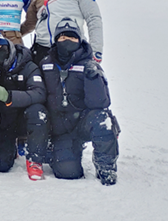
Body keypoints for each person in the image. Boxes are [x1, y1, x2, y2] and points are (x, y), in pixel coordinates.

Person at [41, 18, 119, 185]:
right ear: (55, 40)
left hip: (83, 123)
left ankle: (105, 165)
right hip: (61, 129)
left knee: (103, 120)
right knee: (68, 173)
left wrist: (93, 79)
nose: (66, 41)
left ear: (79, 40)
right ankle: (58, 151)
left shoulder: (89, 65)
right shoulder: (46, 64)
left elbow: (101, 103)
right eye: (62, 37)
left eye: (72, 37)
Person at [0, 30, 48, 180]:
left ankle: (34, 159)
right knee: (1, 165)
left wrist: (10, 96)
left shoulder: (28, 64)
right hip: (6, 120)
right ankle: (11, 149)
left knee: (38, 110)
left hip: (26, 118)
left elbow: (39, 93)